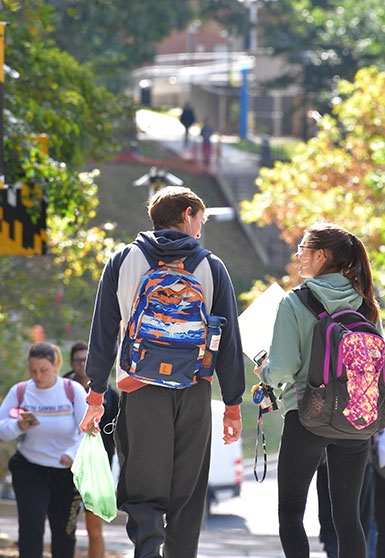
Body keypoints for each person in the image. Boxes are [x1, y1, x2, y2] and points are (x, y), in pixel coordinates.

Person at [79, 186, 245, 558]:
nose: (201, 229)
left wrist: (95, 395)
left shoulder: (123, 259)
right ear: (188, 214)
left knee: (143, 482)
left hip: (139, 386)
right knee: (187, 486)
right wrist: (232, 404)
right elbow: (229, 341)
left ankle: (148, 550)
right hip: (194, 388)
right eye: (200, 220)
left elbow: (103, 334)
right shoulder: (211, 266)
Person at [254, 223, 382, 558]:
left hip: (306, 414)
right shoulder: (366, 304)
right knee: (348, 517)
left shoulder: (294, 302)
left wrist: (263, 371)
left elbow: (281, 369)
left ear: (321, 255)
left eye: (302, 249)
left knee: (292, 510)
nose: (297, 255)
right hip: (356, 420)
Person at [0, 342, 87, 558]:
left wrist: (73, 453)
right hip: (30, 467)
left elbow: (88, 430)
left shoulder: (71, 390)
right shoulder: (20, 391)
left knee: (64, 532)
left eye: (44, 370)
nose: (38, 376)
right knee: (31, 527)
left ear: (56, 365)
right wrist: (17, 426)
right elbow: (2, 430)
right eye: (33, 371)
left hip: (66, 471)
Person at [64, 341, 119, 558]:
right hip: (65, 465)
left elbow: (114, 435)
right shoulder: (62, 388)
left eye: (87, 359)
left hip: (96, 469)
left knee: (94, 529)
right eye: (78, 359)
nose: (82, 364)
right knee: (66, 527)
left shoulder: (110, 395)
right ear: (71, 363)